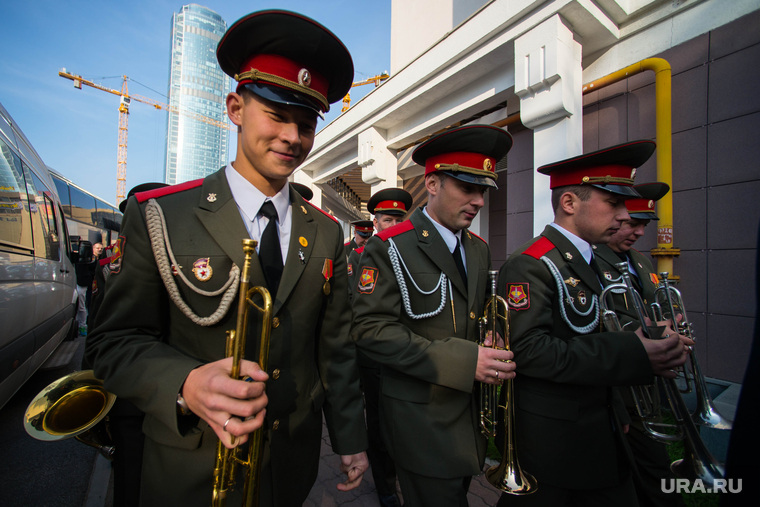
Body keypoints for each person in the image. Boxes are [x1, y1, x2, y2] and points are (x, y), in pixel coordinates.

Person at [85, 10, 368, 506]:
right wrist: (185, 384)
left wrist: (350, 440)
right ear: (236, 108)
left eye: (306, 124)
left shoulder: (325, 232)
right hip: (191, 471)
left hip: (290, 469)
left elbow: (335, 352)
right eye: (277, 115)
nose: (291, 137)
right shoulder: (161, 215)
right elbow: (114, 344)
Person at [496, 141, 693, 507]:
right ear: (569, 203)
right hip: (554, 438)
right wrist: (633, 350)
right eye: (613, 203)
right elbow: (528, 351)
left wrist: (648, 340)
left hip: (602, 426)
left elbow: (600, 333)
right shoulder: (532, 263)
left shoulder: (596, 261)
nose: (624, 215)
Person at [352, 125, 516, 507]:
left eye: (484, 190)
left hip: (468, 418)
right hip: (420, 421)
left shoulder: (477, 249)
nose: (478, 201)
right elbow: (371, 331)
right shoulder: (390, 246)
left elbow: (472, 316)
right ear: (432, 184)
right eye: (467, 188)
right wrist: (464, 360)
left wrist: (489, 340)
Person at [593, 181, 685, 507]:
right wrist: (654, 332)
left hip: (648, 382)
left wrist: (674, 330)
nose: (639, 232)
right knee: (650, 476)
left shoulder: (641, 262)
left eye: (645, 225)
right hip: (619, 390)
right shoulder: (590, 259)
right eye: (633, 223)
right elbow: (594, 324)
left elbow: (658, 305)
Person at [348, 187, 412, 507]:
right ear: (376, 222)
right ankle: (385, 486)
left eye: (399, 219)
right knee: (380, 422)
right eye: (388, 219)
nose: (394, 225)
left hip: (408, 352)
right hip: (374, 355)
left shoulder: (411, 250)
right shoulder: (367, 253)